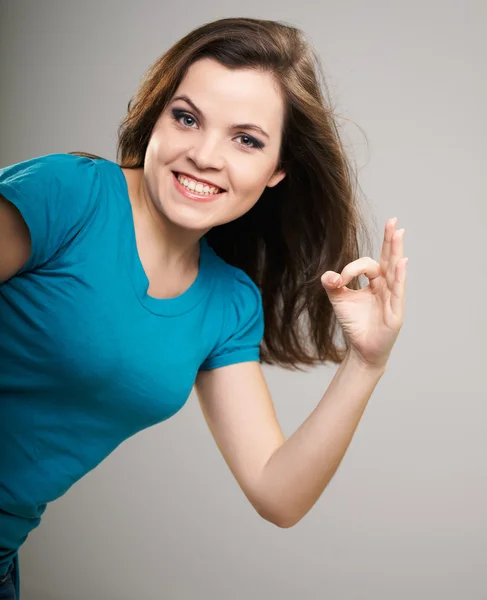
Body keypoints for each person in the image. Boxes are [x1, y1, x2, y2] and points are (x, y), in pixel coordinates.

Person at [0, 16, 407, 599]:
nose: (204, 155)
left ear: (278, 171)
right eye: (186, 118)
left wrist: (366, 362)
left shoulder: (228, 302)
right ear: (156, 116)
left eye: (246, 140)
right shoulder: (69, 194)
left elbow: (278, 493)